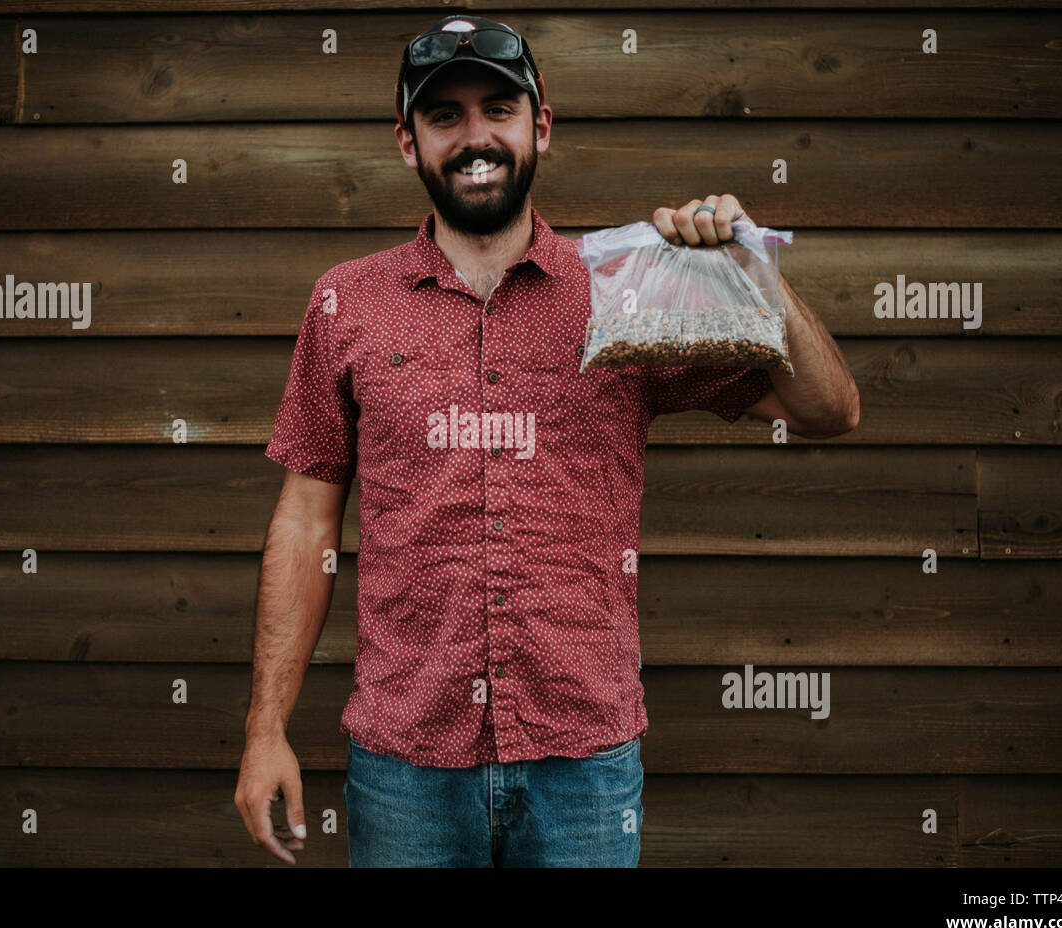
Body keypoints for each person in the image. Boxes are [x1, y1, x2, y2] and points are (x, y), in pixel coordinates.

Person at [234, 15, 860, 868]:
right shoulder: (345, 302)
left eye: (499, 107)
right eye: (444, 116)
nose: (475, 136)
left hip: (585, 768)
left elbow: (828, 409)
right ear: (408, 144)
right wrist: (265, 728)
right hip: (405, 767)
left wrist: (757, 280)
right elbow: (307, 523)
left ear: (542, 126)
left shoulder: (628, 294)